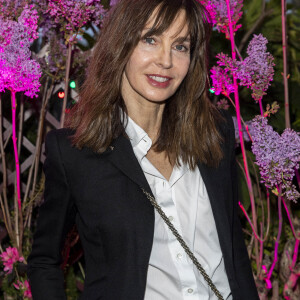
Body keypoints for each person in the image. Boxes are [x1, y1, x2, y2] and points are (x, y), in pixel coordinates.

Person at [27, 0, 259, 299]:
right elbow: (44, 260)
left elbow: (234, 252)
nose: (166, 61)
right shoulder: (75, 152)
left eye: (180, 46)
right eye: (150, 39)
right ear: (120, 44)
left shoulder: (216, 132)